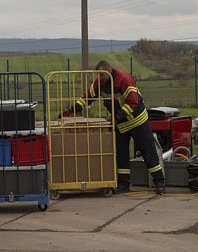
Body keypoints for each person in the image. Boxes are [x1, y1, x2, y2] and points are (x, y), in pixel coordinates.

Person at [68, 60, 165, 194]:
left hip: (137, 121)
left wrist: (117, 116)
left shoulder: (124, 79)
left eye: (101, 74)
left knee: (148, 151)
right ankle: (124, 184)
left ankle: (159, 181)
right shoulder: (101, 82)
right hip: (120, 123)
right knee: (121, 154)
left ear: (108, 70)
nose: (99, 77)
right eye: (98, 75)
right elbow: (88, 96)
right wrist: (74, 109)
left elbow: (133, 102)